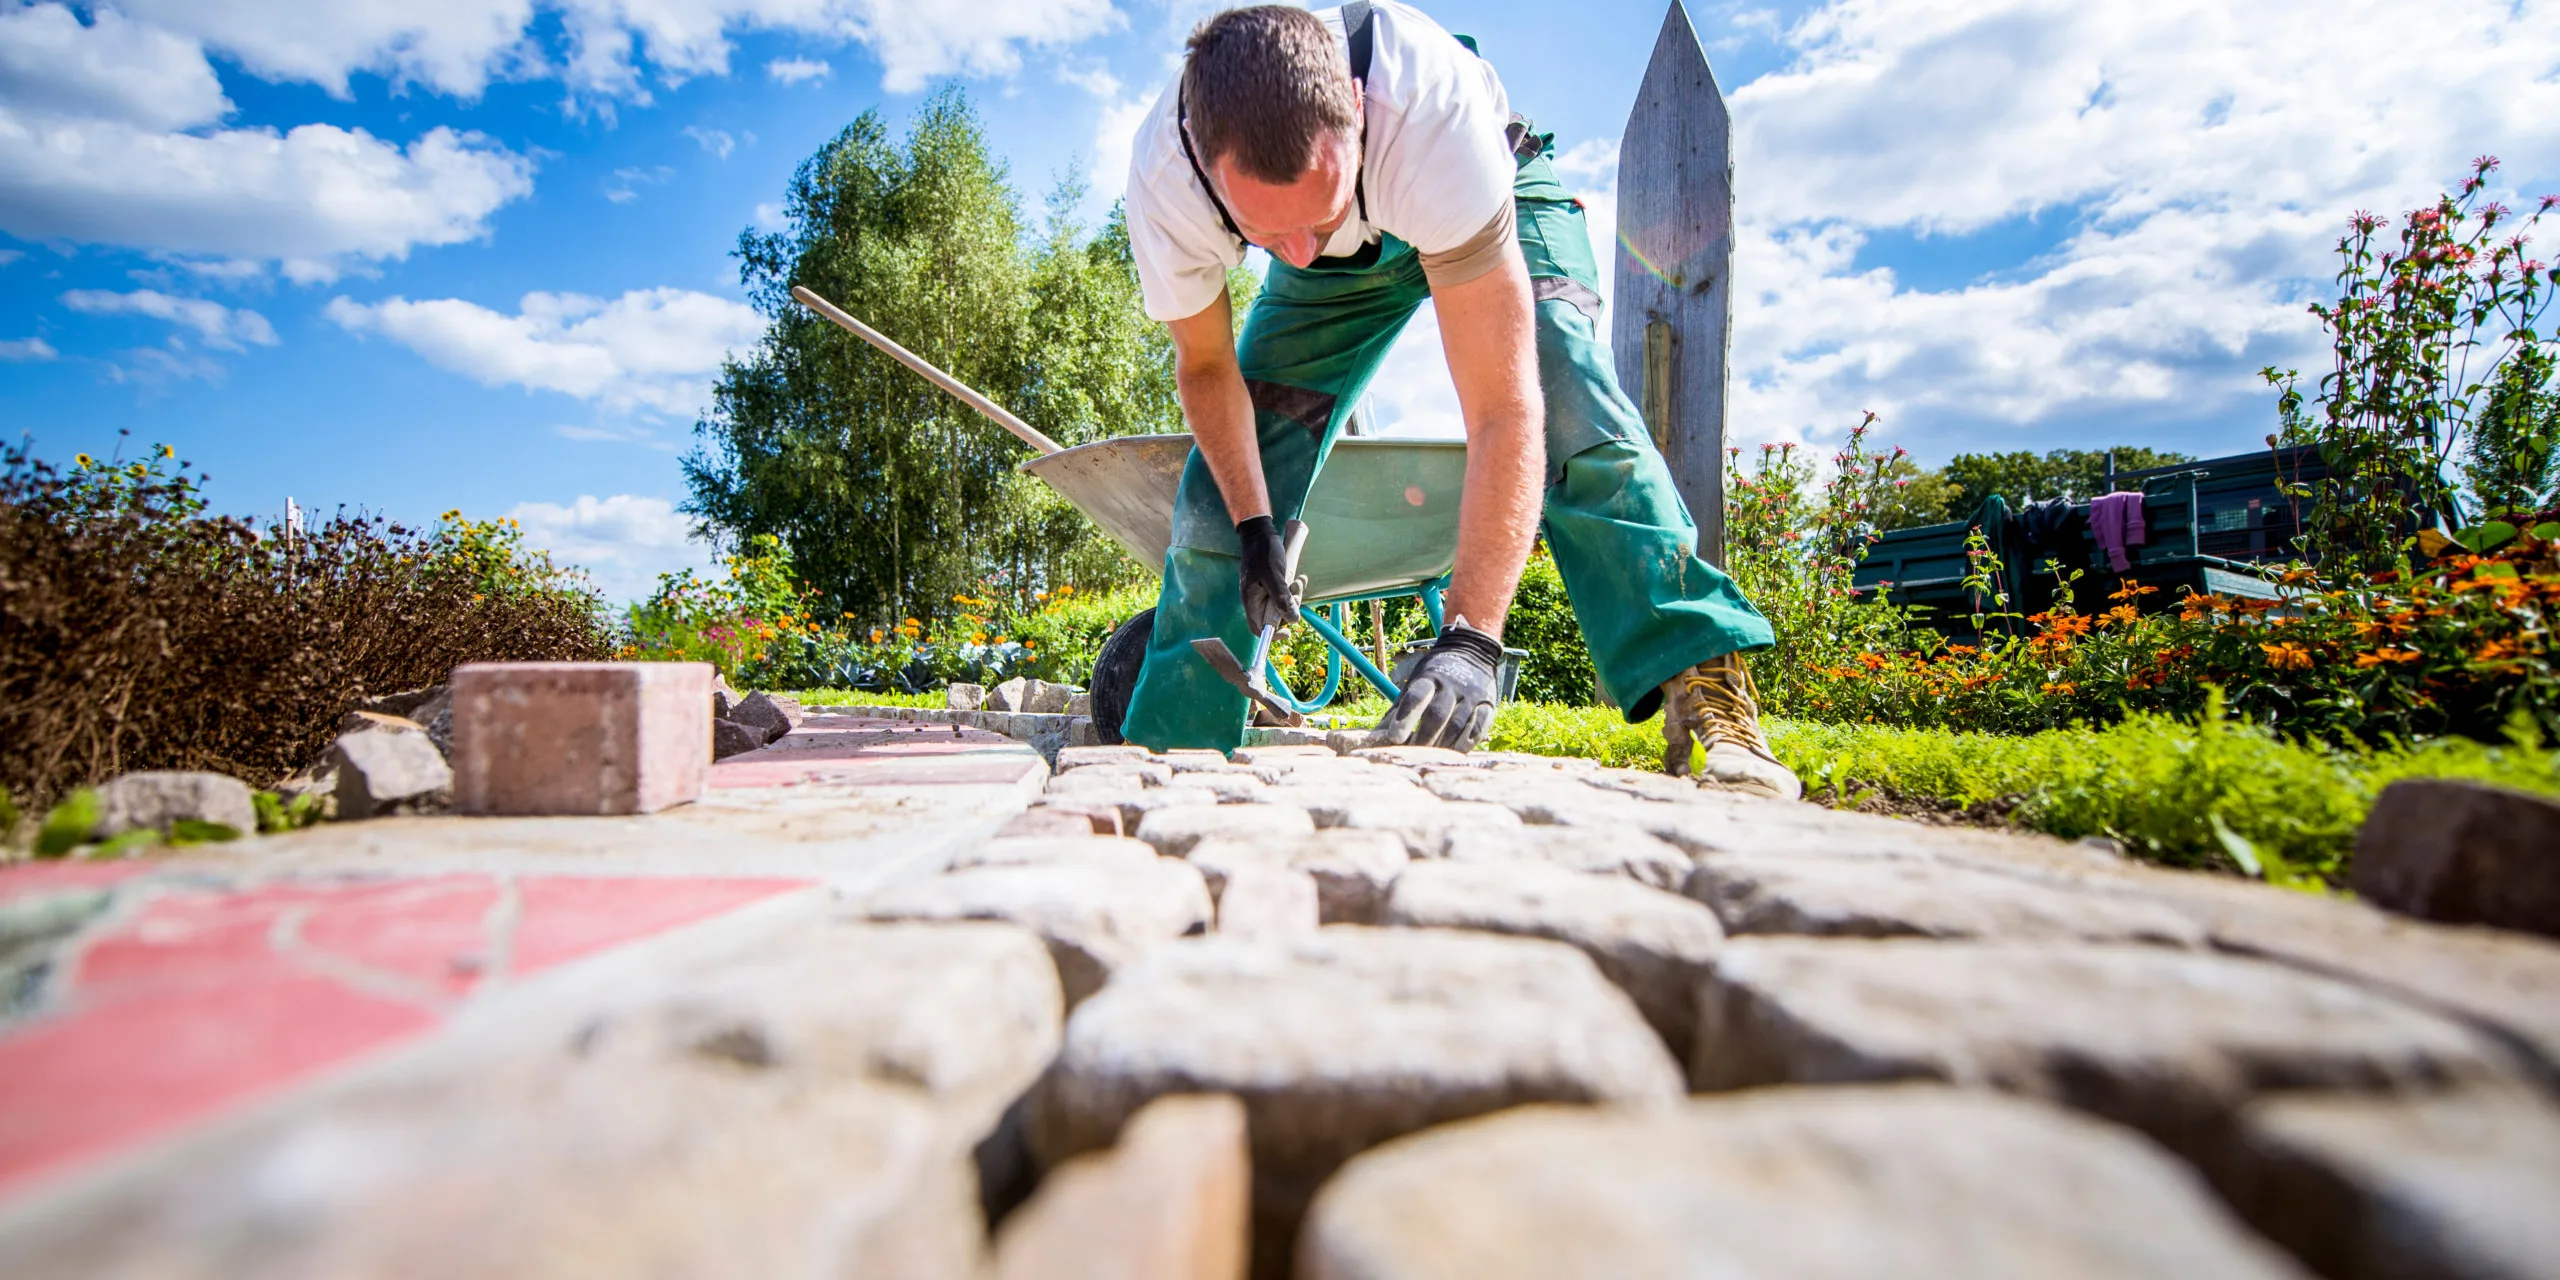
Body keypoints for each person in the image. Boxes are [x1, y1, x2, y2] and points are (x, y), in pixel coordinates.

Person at [1115, 0, 1799, 799]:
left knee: (1568, 391)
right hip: (1333, 272)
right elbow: (1207, 370)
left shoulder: (1430, 115)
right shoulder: (1169, 179)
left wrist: (1473, 637)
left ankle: (1709, 696)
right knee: (1227, 484)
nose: (1298, 252)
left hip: (1488, 198)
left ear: (1360, 117)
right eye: (1266, 236)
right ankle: (1168, 755)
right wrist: (1253, 523)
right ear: (1209, 165)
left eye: (1318, 213)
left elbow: (1503, 409)